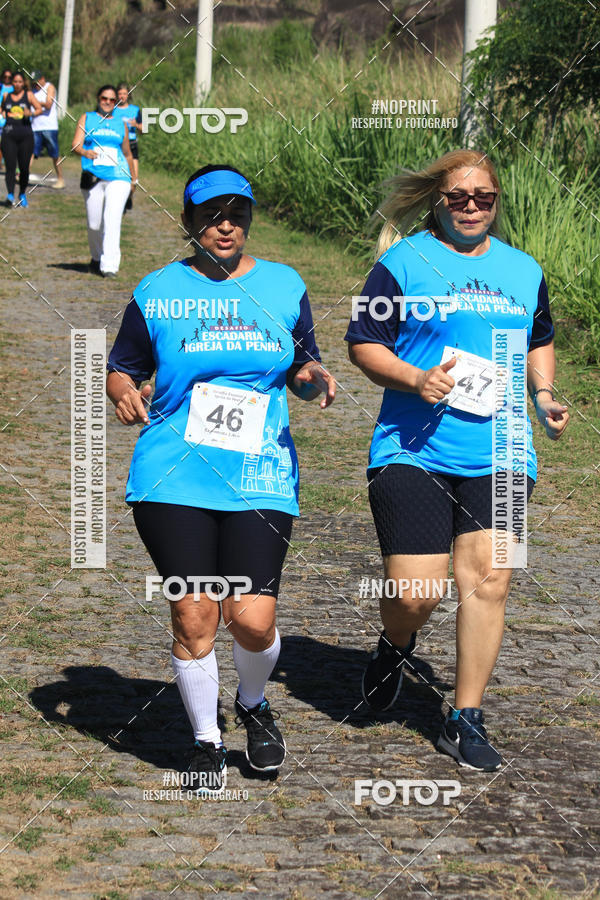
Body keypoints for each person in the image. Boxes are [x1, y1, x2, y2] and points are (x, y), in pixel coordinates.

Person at [106, 164, 336, 793]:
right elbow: (121, 368)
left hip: (260, 473)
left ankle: (254, 704)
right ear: (190, 223)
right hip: (173, 473)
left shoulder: (285, 286)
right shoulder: (157, 291)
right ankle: (207, 741)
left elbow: (303, 359)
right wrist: (123, 391)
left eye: (237, 214)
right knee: (195, 611)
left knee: (253, 619)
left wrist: (311, 377)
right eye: (211, 216)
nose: (225, 225)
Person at [345, 149, 569, 772]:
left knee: (489, 580)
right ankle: (395, 644)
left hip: (501, 449)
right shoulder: (404, 263)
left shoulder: (524, 270)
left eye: (484, 197)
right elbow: (363, 342)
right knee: (418, 592)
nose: (472, 206)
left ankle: (464, 715)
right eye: (459, 197)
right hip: (413, 449)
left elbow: (540, 338)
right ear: (437, 202)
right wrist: (415, 378)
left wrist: (543, 397)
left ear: (497, 202)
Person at [71, 84, 134, 276]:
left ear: (116, 102)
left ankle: (109, 266)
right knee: (94, 224)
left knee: (112, 219)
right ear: (98, 99)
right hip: (93, 176)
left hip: (119, 176)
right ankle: (97, 257)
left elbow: (128, 154)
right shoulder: (87, 118)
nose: (107, 102)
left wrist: (134, 179)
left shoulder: (121, 124)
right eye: (104, 99)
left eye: (112, 100)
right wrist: (85, 152)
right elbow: (75, 145)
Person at [0, 71, 42, 207]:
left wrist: (32, 113)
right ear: (12, 83)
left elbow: (39, 108)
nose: (17, 84)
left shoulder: (28, 95)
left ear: (23, 83)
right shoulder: (6, 95)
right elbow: (1, 109)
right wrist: (3, 115)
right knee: (10, 167)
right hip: (9, 135)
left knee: (24, 168)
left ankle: (22, 193)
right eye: (15, 82)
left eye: (20, 82)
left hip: (25, 136)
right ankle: (10, 194)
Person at [30, 70, 64, 189]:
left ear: (43, 78)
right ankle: (22, 175)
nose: (36, 84)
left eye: (38, 81)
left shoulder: (49, 87)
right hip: (35, 126)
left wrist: (34, 101)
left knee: (54, 154)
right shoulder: (32, 90)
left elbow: (48, 104)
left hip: (49, 127)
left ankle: (60, 179)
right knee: (30, 152)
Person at [114, 82, 142, 211]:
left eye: (124, 94)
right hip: (118, 145)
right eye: (119, 93)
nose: (122, 96)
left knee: (134, 178)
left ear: (128, 95)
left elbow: (143, 129)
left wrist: (136, 125)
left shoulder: (135, 110)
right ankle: (119, 201)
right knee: (118, 175)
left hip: (132, 144)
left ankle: (129, 197)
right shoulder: (112, 109)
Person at [0, 69, 14, 168]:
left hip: (10, 117)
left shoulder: (15, 88)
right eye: (5, 77)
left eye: (9, 77)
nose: (7, 79)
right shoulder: (0, 87)